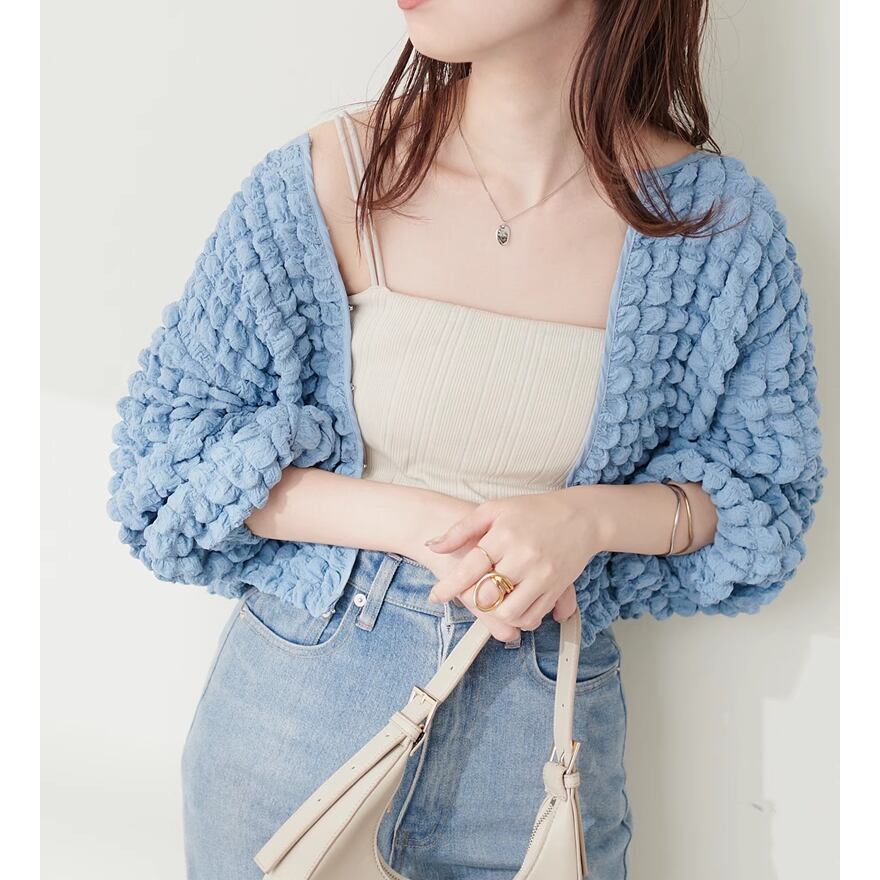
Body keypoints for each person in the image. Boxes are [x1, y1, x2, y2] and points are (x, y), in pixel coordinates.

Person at [106, 1, 826, 877]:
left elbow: (763, 500)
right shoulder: (332, 177)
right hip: (295, 722)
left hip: (539, 750)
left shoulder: (716, 228)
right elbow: (167, 460)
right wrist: (423, 524)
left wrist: (588, 521)